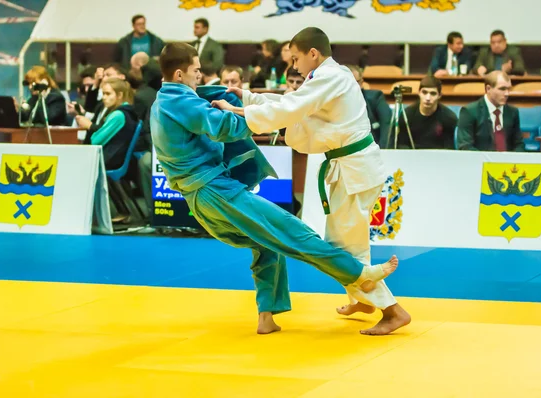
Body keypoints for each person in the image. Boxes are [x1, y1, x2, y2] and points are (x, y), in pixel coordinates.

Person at [150, 42, 398, 335]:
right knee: (291, 230)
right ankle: (359, 273)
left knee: (265, 243)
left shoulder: (162, 102)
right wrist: (252, 116)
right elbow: (223, 126)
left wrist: (250, 104)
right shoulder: (181, 101)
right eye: (196, 71)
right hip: (215, 191)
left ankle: (266, 316)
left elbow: (290, 104)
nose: (200, 77)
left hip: (200, 199)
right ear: (180, 74)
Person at [212, 27, 411, 335]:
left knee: (341, 247)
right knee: (347, 242)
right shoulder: (326, 77)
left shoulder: (330, 77)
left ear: (313, 54)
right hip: (351, 168)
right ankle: (364, 300)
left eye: (296, 58)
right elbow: (295, 102)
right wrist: (249, 97)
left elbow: (292, 108)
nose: (294, 66)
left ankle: (392, 311)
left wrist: (239, 111)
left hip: (354, 170)